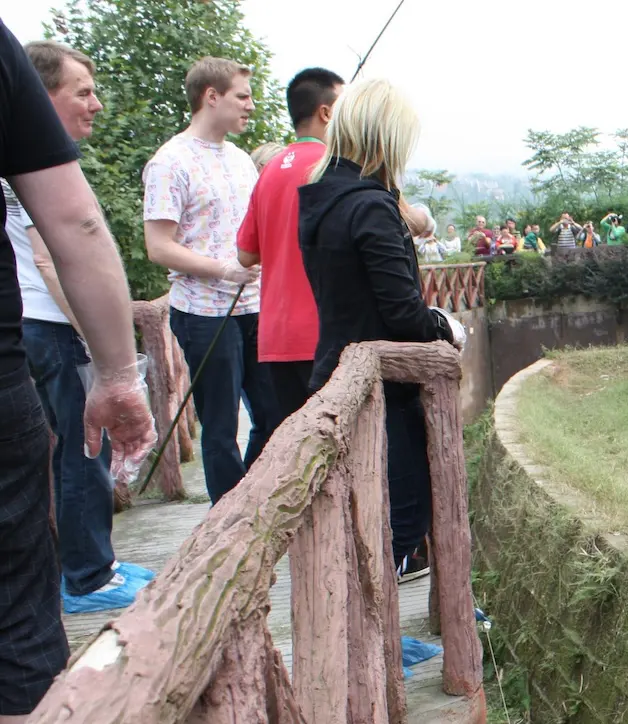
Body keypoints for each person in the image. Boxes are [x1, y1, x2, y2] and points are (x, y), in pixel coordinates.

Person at [0, 19, 155, 724]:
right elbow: (74, 226)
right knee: (15, 623)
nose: (95, 105)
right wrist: (118, 371)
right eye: (83, 92)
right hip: (37, 341)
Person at [298, 77, 459, 578]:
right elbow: (403, 314)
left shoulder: (321, 199)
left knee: (365, 521)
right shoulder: (370, 206)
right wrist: (448, 327)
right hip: (382, 391)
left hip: (333, 371)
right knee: (402, 518)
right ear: (385, 138)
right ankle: (376, 652)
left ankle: (372, 648)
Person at [143, 56, 275, 504]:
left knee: (275, 412)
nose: (250, 106)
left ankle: (249, 497)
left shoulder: (241, 161)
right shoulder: (169, 162)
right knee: (219, 426)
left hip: (255, 305)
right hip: (202, 312)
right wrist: (222, 269)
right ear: (211, 97)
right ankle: (230, 520)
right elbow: (158, 246)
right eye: (243, 96)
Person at [236, 66, 343, 437]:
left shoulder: (267, 172)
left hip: (276, 338)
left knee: (294, 451)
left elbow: (246, 255)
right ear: (326, 112)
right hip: (324, 335)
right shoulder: (335, 168)